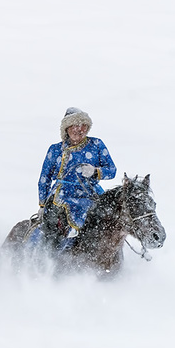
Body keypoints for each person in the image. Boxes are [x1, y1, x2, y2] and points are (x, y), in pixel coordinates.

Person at [36, 107, 117, 251]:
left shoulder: (97, 144)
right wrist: (42, 204)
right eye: (74, 125)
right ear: (66, 129)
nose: (79, 129)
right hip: (62, 195)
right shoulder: (55, 150)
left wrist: (95, 172)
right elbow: (45, 178)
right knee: (52, 223)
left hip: (90, 193)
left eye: (83, 125)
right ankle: (48, 255)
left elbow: (112, 170)